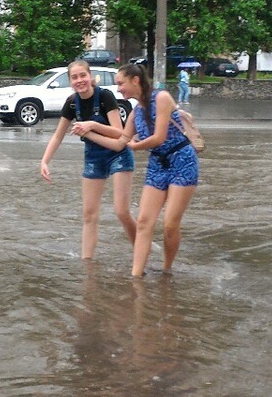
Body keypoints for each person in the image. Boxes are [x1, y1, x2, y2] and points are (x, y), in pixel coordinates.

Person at [92, 63, 199, 277]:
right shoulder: (135, 112)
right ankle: (136, 276)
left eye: (121, 83)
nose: (119, 89)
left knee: (169, 224)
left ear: (136, 80)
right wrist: (90, 131)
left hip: (182, 161)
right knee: (143, 221)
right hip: (157, 164)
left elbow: (159, 137)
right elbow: (121, 141)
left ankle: (167, 269)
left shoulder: (162, 98)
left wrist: (135, 145)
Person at [40, 60, 137, 260]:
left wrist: (91, 125)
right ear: (70, 81)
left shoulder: (105, 97)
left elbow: (119, 133)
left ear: (90, 76)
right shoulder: (71, 103)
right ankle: (88, 263)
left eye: (82, 75)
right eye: (74, 77)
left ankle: (140, 248)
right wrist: (44, 161)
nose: (79, 81)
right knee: (89, 215)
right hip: (94, 157)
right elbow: (58, 136)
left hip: (118, 154)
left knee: (121, 211)